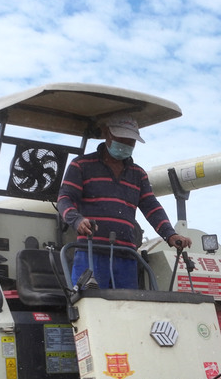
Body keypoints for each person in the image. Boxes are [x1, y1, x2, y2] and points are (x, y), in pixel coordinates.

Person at [57, 115, 192, 289]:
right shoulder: (81, 165)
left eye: (131, 142)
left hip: (126, 256)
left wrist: (170, 234)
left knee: (127, 309)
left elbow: (151, 207)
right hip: (91, 253)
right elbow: (65, 198)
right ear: (107, 133)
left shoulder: (138, 174)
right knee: (88, 305)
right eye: (122, 139)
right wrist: (77, 220)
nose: (126, 145)